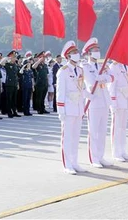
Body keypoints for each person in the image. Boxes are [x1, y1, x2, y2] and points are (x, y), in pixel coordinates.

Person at [56, 41, 90, 175]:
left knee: (76, 137)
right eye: (74, 53)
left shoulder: (80, 70)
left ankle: (75, 162)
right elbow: (60, 92)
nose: (77, 54)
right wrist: (61, 110)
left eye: (77, 52)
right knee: (68, 137)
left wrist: (89, 94)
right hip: (68, 108)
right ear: (68, 56)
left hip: (78, 107)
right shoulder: (63, 71)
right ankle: (67, 164)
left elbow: (81, 88)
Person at [81, 37, 114, 168]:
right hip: (93, 101)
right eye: (94, 50)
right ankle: (94, 158)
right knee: (93, 131)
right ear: (89, 53)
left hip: (104, 100)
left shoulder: (102, 65)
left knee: (102, 131)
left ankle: (101, 156)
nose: (97, 52)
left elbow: (111, 77)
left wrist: (101, 78)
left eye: (98, 50)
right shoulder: (85, 66)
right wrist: (102, 78)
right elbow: (91, 81)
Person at [108, 61, 128, 162]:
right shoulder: (114, 66)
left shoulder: (126, 65)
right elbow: (111, 87)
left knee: (123, 127)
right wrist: (113, 102)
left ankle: (123, 150)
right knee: (116, 127)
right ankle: (116, 152)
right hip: (117, 101)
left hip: (126, 99)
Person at [0, 51, 21, 118]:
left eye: (15, 57)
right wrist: (7, 58)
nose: (15, 58)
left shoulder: (15, 65)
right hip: (9, 84)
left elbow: (16, 75)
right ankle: (9, 112)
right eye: (14, 57)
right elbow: (1, 63)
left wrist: (17, 83)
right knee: (9, 99)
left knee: (14, 99)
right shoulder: (7, 64)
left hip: (14, 84)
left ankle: (14, 111)